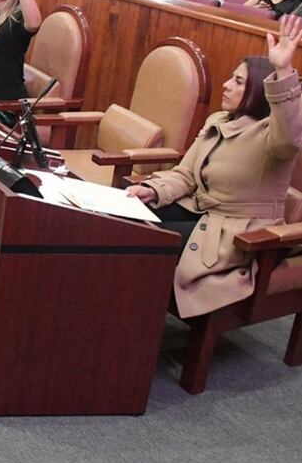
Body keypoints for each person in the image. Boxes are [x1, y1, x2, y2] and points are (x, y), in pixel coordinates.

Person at [126, 16, 302, 319]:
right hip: (202, 212)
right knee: (122, 218)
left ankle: (132, 331)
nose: (226, 85)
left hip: (238, 233)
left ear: (259, 90)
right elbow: (186, 174)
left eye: (237, 81)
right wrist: (152, 189)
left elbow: (290, 134)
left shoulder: (272, 136)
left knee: (145, 242)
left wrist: (283, 70)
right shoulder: (217, 121)